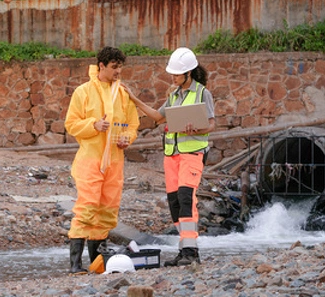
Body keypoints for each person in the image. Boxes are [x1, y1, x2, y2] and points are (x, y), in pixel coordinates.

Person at [121, 47, 215, 267]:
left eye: (176, 74)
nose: (173, 77)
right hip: (172, 156)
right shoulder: (173, 96)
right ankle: (185, 249)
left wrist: (197, 129)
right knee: (174, 204)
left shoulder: (202, 93)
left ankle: (191, 251)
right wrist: (134, 99)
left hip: (192, 154)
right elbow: (156, 117)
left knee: (186, 198)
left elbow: (211, 123)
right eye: (172, 73)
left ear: (188, 73)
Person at [64, 46, 140, 275]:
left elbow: (133, 124)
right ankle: (75, 264)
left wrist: (128, 138)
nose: (119, 71)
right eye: (114, 67)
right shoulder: (83, 92)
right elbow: (71, 124)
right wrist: (93, 125)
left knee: (107, 210)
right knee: (87, 208)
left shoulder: (123, 94)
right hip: (90, 159)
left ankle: (97, 263)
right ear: (102, 66)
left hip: (115, 161)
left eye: (121, 67)